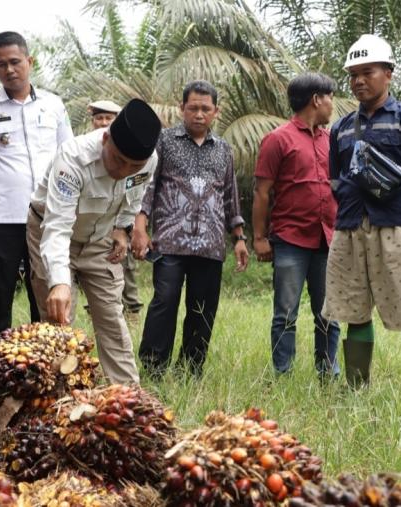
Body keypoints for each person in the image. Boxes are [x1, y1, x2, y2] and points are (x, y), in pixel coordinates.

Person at [323, 35, 401, 391]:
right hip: (349, 228)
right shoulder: (341, 127)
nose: (359, 80)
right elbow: (335, 180)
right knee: (353, 310)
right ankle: (356, 391)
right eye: (353, 74)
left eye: (367, 72)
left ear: (388, 73)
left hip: (396, 229)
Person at [28, 98, 160, 384]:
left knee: (112, 317)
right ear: (105, 138)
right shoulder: (73, 158)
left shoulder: (148, 162)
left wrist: (122, 229)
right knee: (60, 322)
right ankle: (62, 402)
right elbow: (58, 227)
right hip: (51, 231)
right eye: (117, 159)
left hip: (100, 237)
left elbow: (133, 199)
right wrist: (60, 282)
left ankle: (128, 399)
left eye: (132, 165)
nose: (123, 170)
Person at [132, 80, 248, 378]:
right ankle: (153, 367)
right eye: (193, 108)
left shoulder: (223, 149)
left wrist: (238, 237)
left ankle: (190, 370)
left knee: (202, 310)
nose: (198, 114)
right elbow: (148, 184)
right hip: (169, 241)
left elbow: (230, 195)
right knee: (164, 302)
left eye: (205, 109)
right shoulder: (165, 141)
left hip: (210, 245)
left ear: (215, 112)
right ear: (182, 108)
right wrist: (140, 225)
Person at [0, 31, 73, 333]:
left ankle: (48, 360)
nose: (9, 70)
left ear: (29, 61)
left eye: (14, 62)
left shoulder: (54, 105)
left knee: (46, 292)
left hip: (47, 216)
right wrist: (1, 187)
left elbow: (67, 156)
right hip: (0, 218)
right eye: (0, 65)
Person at [253, 73, 340, 381]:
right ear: (316, 99)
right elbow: (262, 192)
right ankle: (283, 372)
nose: (332, 103)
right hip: (290, 239)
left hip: (327, 239)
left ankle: (328, 373)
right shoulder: (278, 139)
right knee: (286, 313)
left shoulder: (333, 140)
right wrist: (260, 238)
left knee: (329, 313)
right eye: (329, 96)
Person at [87, 100, 144, 317]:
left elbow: (136, 194)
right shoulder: (85, 150)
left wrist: (128, 228)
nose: (102, 122)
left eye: (108, 119)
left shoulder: (131, 151)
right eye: (98, 118)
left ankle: (132, 313)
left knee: (125, 270)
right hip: (92, 229)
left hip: (119, 225)